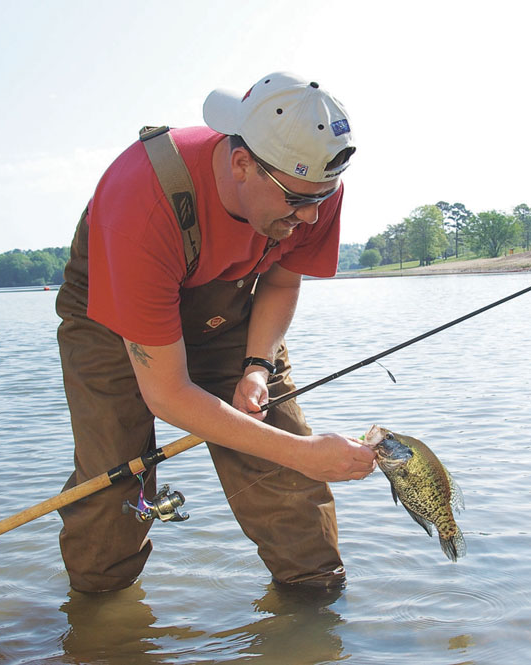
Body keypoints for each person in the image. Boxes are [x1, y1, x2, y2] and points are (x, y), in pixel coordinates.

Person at [54, 72, 377, 594]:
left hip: (227, 305)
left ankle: (317, 606)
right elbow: (168, 394)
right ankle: (98, 614)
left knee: (283, 464)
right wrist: (303, 452)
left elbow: (280, 283)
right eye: (297, 200)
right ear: (242, 163)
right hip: (111, 313)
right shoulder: (142, 204)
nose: (313, 215)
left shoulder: (311, 182)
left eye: (324, 196)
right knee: (115, 481)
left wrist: (258, 367)